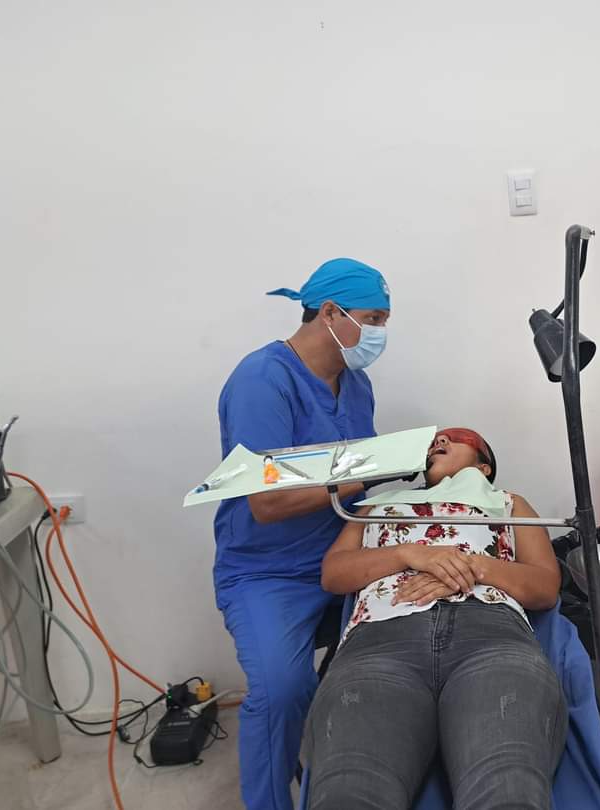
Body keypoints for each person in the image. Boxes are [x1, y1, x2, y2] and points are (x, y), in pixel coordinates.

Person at [305, 428, 568, 810]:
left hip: (491, 639)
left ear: (484, 466)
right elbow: (333, 574)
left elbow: (545, 586)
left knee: (507, 789)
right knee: (349, 793)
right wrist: (410, 554)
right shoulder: (376, 506)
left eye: (456, 437)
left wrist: (469, 566)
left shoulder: (507, 503)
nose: (439, 441)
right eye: (435, 440)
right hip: (381, 643)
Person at [212, 257, 391, 810]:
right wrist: (376, 471)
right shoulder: (262, 382)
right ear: (331, 313)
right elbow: (266, 504)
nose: (380, 334)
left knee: (397, 663)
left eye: (385, 321)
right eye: (373, 319)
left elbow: (354, 479)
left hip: (341, 553)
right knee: (282, 690)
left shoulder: (355, 385)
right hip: (267, 571)